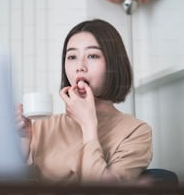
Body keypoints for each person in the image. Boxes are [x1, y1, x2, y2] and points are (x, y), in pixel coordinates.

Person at [16, 19, 152, 185]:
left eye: (92, 55)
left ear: (113, 64)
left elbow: (106, 190)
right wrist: (24, 140)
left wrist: (88, 124)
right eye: (72, 56)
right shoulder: (43, 126)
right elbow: (4, 184)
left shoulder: (136, 131)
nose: (79, 66)